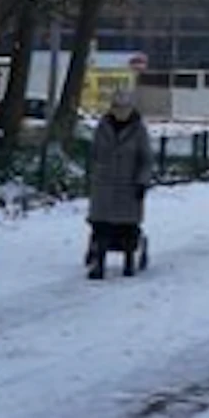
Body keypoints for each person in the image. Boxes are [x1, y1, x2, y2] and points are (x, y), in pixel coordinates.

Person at [86, 87, 153, 278]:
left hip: (128, 186)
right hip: (104, 186)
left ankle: (130, 259)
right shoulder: (103, 127)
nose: (120, 112)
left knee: (127, 228)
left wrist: (142, 182)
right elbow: (95, 153)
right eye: (117, 107)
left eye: (124, 107)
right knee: (101, 226)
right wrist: (95, 174)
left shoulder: (139, 130)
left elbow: (146, 159)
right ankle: (98, 263)